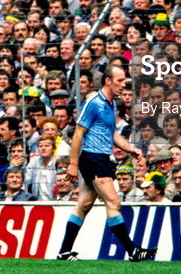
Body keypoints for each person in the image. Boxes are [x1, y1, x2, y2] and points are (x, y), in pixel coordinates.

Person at [57, 66, 155, 261]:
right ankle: (132, 251)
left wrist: (129, 149)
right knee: (114, 202)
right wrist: (73, 164)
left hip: (100, 159)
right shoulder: (93, 102)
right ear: (108, 81)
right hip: (93, 158)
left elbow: (111, 134)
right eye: (120, 81)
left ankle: (64, 251)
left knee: (84, 204)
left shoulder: (111, 104)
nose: (123, 85)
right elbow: (78, 134)